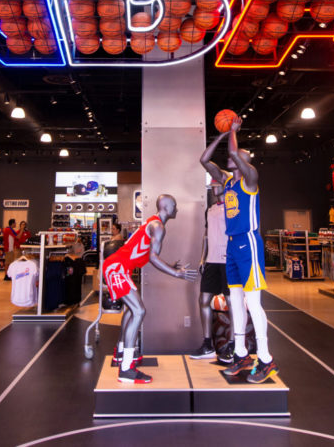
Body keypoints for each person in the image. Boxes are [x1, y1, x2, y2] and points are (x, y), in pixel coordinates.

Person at [201, 117, 278, 384]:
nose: (233, 157)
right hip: (232, 244)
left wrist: (233, 132)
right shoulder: (228, 181)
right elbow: (204, 160)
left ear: (246, 162)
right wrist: (222, 136)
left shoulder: (250, 179)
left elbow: (234, 152)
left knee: (253, 303)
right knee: (235, 301)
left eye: (240, 156)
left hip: (249, 243)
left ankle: (266, 359)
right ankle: (241, 354)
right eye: (235, 156)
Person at [103, 194, 197, 383]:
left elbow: (147, 256)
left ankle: (120, 355)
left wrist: (171, 265)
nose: (177, 209)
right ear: (167, 208)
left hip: (119, 268)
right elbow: (153, 258)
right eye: (175, 206)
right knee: (139, 311)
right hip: (117, 268)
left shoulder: (152, 224)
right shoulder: (158, 227)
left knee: (132, 310)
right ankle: (126, 369)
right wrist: (176, 273)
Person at [190, 180, 234, 363]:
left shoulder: (232, 208)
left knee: (232, 301)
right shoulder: (210, 210)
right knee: (203, 299)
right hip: (211, 260)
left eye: (217, 183)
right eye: (212, 184)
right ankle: (207, 344)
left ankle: (234, 344)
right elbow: (206, 236)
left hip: (228, 259)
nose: (213, 187)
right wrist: (202, 258)